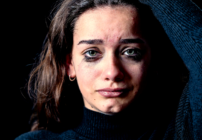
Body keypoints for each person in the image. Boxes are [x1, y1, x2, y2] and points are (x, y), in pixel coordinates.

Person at [15, 0, 202, 139]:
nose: (112, 72)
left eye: (130, 52)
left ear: (152, 61)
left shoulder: (183, 131)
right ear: (69, 65)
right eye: (91, 53)